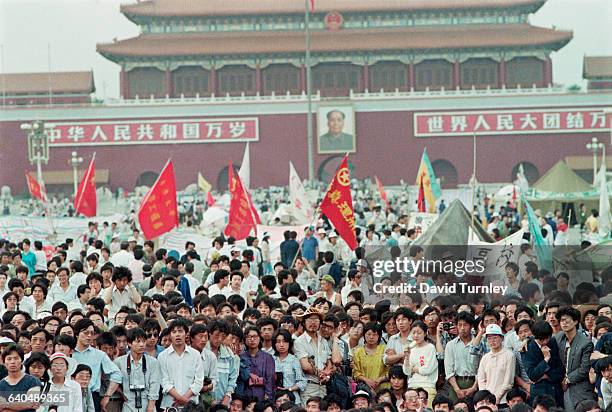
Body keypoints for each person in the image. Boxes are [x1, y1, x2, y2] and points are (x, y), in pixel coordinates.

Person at [71, 318, 122, 412]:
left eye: (92, 333)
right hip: (71, 395)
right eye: (86, 333)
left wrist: (107, 396)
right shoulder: (69, 353)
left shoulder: (99, 354)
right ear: (77, 334)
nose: (89, 336)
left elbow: (117, 374)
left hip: (93, 395)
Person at [554, 306, 597, 411]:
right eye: (561, 321)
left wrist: (567, 380)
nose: (563, 323)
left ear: (575, 321)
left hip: (580, 387)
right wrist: (527, 340)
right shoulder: (559, 337)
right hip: (561, 387)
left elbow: (584, 369)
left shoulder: (585, 343)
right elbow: (542, 338)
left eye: (566, 320)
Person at [158, 318, 204, 409]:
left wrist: (185, 399)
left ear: (186, 334)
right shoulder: (162, 356)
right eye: (174, 332)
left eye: (180, 331)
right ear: (170, 335)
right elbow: (164, 381)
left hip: (191, 406)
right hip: (170, 404)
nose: (177, 334)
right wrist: (180, 398)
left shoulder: (195, 355)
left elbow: (199, 380)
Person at [114, 327, 161, 412]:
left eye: (144, 341)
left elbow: (155, 385)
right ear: (129, 343)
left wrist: (150, 407)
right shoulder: (119, 362)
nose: (142, 344)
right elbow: (113, 381)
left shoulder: (153, 362)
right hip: (128, 405)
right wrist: (122, 393)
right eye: (138, 341)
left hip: (148, 404)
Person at [521, 320, 564, 407]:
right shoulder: (526, 348)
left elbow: (560, 371)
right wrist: (546, 359)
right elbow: (532, 375)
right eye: (541, 339)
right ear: (534, 336)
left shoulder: (553, 342)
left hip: (556, 392)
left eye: (547, 338)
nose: (545, 342)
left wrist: (546, 376)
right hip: (539, 394)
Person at [477, 324, 515, 406]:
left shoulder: (509, 355)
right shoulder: (485, 358)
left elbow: (508, 381)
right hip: (487, 402)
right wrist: (485, 397)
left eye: (495, 337)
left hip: (503, 400)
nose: (492, 341)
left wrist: (497, 397)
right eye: (489, 338)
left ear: (501, 338)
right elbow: (481, 379)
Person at [444, 311, 478, 403]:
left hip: (475, 382)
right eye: (459, 325)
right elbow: (449, 370)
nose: (462, 328)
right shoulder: (451, 345)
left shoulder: (478, 343)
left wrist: (474, 387)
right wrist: (457, 389)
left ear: (471, 326)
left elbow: (482, 368)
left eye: (465, 325)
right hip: (456, 382)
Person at [403, 321, 438, 408]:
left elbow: (427, 370)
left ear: (425, 333)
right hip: (412, 386)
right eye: (413, 332)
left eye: (419, 333)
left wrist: (414, 369)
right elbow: (406, 371)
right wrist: (407, 357)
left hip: (427, 385)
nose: (416, 335)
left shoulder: (430, 348)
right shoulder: (411, 349)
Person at [237, 326, 276, 400]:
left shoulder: (267, 357)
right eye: (249, 337)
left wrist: (268, 397)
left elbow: (270, 380)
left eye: (255, 336)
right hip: (245, 395)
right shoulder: (240, 357)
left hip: (262, 395)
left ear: (259, 338)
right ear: (245, 339)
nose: (252, 339)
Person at [0, 344, 42, 412]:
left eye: (16, 358)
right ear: (4, 362)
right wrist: (21, 405)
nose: (12, 362)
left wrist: (5, 404)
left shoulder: (33, 381)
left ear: (22, 361)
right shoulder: (1, 385)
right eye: (9, 359)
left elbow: (31, 403)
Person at [273, 329, 307, 405]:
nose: (282, 344)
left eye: (285, 341)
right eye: (278, 341)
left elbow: (303, 381)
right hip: (276, 399)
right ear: (274, 344)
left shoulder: (294, 360)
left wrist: (289, 389)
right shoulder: (271, 359)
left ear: (289, 343)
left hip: (292, 399)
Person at [353, 322, 388, 392]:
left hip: (383, 387)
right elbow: (355, 372)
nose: (371, 337)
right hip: (364, 388)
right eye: (368, 334)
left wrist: (380, 379)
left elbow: (389, 370)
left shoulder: (385, 349)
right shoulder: (357, 351)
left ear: (379, 336)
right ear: (364, 335)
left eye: (374, 334)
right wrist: (366, 380)